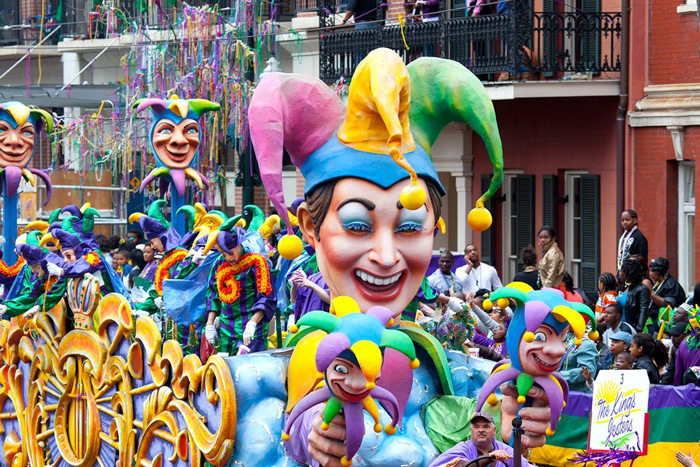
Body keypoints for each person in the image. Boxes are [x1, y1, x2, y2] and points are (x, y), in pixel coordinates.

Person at [247, 49, 553, 466]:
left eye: (409, 228)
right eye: (358, 226)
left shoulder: (431, 354)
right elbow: (294, 423)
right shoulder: (317, 351)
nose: (388, 256)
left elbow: (478, 418)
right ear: (309, 227)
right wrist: (316, 434)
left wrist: (512, 420)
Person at [204, 225, 277, 355]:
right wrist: (210, 324)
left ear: (239, 244)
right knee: (224, 370)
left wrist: (252, 324)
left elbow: (266, 298)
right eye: (223, 254)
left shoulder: (257, 263)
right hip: (227, 328)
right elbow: (213, 294)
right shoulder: (219, 263)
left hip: (252, 327)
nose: (227, 258)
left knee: (248, 370)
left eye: (230, 252)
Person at [429, 412, 528, 467]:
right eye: (476, 427)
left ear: (494, 431)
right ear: (471, 431)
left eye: (486, 427)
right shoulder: (463, 449)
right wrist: (489, 458)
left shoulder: (505, 451)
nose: (481, 430)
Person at [648, 257, 687, 332]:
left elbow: (668, 304)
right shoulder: (658, 282)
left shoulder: (671, 285)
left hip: (665, 321)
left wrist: (650, 294)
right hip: (654, 316)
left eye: (652, 271)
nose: (650, 273)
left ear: (659, 272)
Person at [619, 258, 651, 333]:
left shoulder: (642, 289)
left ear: (628, 273)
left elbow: (643, 310)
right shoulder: (626, 288)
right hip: (620, 326)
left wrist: (638, 330)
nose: (619, 273)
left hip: (632, 328)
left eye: (621, 271)